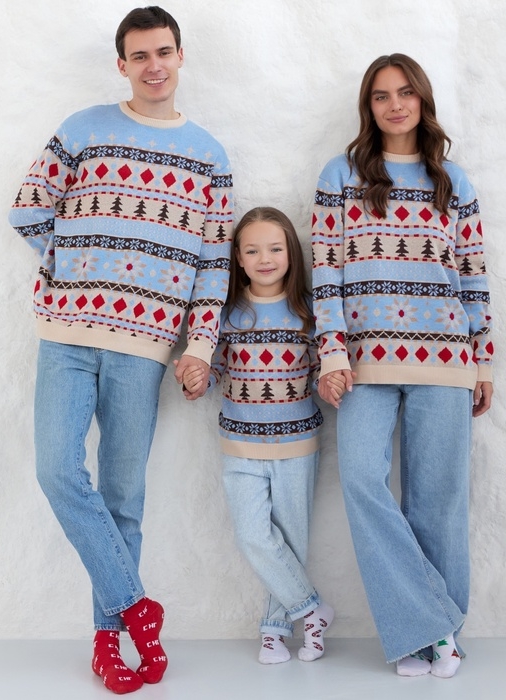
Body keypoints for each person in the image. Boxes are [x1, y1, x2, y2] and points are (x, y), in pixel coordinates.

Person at [8, 6, 233, 694]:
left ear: (180, 55)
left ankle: (109, 644)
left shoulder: (209, 155)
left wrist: (201, 345)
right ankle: (137, 608)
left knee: (123, 496)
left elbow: (213, 264)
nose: (153, 66)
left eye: (163, 52)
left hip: (146, 346)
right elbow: (27, 206)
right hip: (67, 334)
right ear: (122, 64)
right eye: (139, 55)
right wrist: (75, 265)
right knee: (56, 470)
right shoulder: (84, 128)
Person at [311, 53, 493, 678]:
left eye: (406, 93)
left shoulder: (454, 182)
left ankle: (436, 636)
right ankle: (431, 624)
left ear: (422, 100)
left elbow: (473, 276)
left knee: (438, 500)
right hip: (363, 361)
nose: (395, 105)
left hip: (447, 357)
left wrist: (484, 362)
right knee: (362, 480)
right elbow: (325, 272)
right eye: (382, 95)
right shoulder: (340, 175)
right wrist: (332, 351)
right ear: (369, 106)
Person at [180, 207, 334, 665]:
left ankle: (274, 631)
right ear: (238, 258)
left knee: (291, 541)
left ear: (291, 253)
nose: (264, 259)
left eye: (274, 248)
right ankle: (311, 609)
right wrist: (198, 380)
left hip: (297, 444)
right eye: (252, 251)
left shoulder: (309, 313)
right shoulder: (226, 315)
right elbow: (214, 369)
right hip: (239, 444)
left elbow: (323, 370)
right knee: (253, 536)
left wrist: (332, 382)